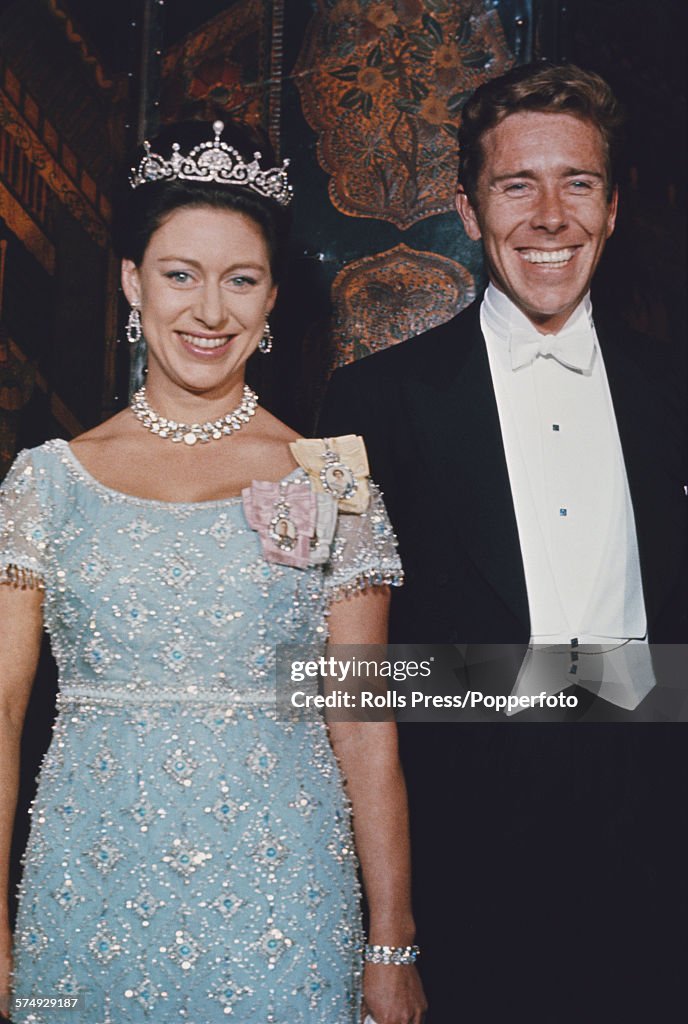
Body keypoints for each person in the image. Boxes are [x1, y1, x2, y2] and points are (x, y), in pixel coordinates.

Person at [0, 118, 426, 1024]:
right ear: (132, 282)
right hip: (89, 884)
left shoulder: (331, 476)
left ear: (272, 301)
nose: (209, 310)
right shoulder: (48, 481)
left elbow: (365, 725)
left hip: (286, 893)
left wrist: (392, 942)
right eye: (179, 274)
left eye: (241, 280)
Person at [319, 63, 687, 1022]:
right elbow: (346, 677)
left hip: (657, 861)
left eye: (579, 183)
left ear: (612, 207)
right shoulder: (368, 405)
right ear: (469, 210)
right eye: (517, 185)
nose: (551, 215)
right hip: (460, 866)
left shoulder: (674, 392)